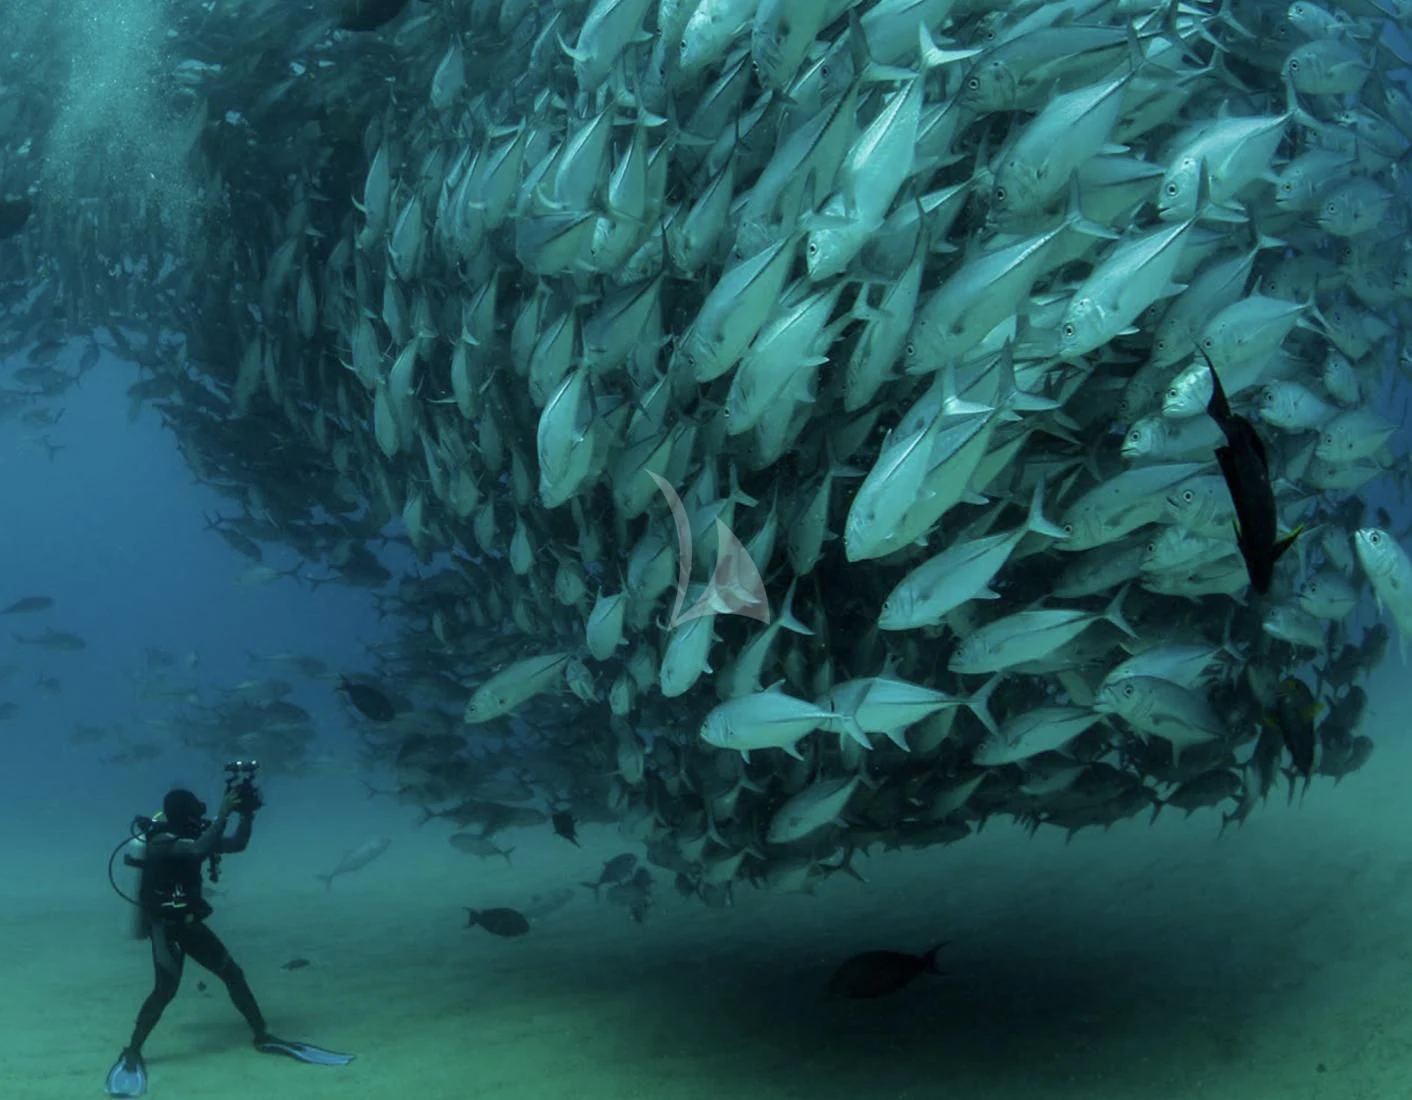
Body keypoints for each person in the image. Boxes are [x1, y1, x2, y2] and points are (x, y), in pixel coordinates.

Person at [104, 784, 354, 1097]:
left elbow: (236, 844)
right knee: (165, 990)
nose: (201, 811)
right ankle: (133, 1050)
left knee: (232, 974)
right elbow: (196, 850)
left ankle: (262, 1035)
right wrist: (223, 814)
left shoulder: (196, 834)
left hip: (191, 925)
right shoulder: (161, 840)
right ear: (183, 812)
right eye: (195, 807)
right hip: (167, 928)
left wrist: (246, 816)